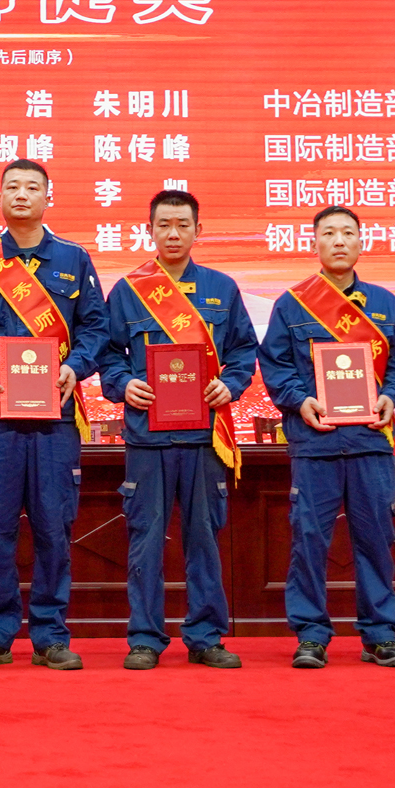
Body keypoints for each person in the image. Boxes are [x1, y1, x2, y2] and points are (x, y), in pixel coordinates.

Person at [0, 159, 107, 671]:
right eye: (12, 187)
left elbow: (96, 329)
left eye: (32, 187)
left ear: (48, 197)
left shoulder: (74, 259)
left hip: (55, 417)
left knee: (53, 526)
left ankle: (50, 635)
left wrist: (75, 367)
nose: (21, 194)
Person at [100, 190, 258, 670]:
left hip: (204, 436)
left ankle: (206, 636)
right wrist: (123, 383)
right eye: (164, 225)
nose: (173, 233)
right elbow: (107, 353)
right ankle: (145, 638)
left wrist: (231, 385)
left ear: (197, 231)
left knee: (204, 538)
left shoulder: (221, 289)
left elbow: (244, 351)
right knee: (145, 538)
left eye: (182, 225)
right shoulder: (128, 290)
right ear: (149, 230)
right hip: (147, 437)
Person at [258, 205, 395, 670]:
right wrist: (299, 400)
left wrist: (392, 395)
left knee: (375, 540)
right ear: (315, 243)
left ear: (361, 242)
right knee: (309, 541)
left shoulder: (384, 303)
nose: (339, 241)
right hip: (316, 442)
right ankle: (311, 635)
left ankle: (380, 635)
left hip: (370, 440)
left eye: (348, 232)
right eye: (329, 233)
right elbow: (275, 364)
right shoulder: (292, 304)